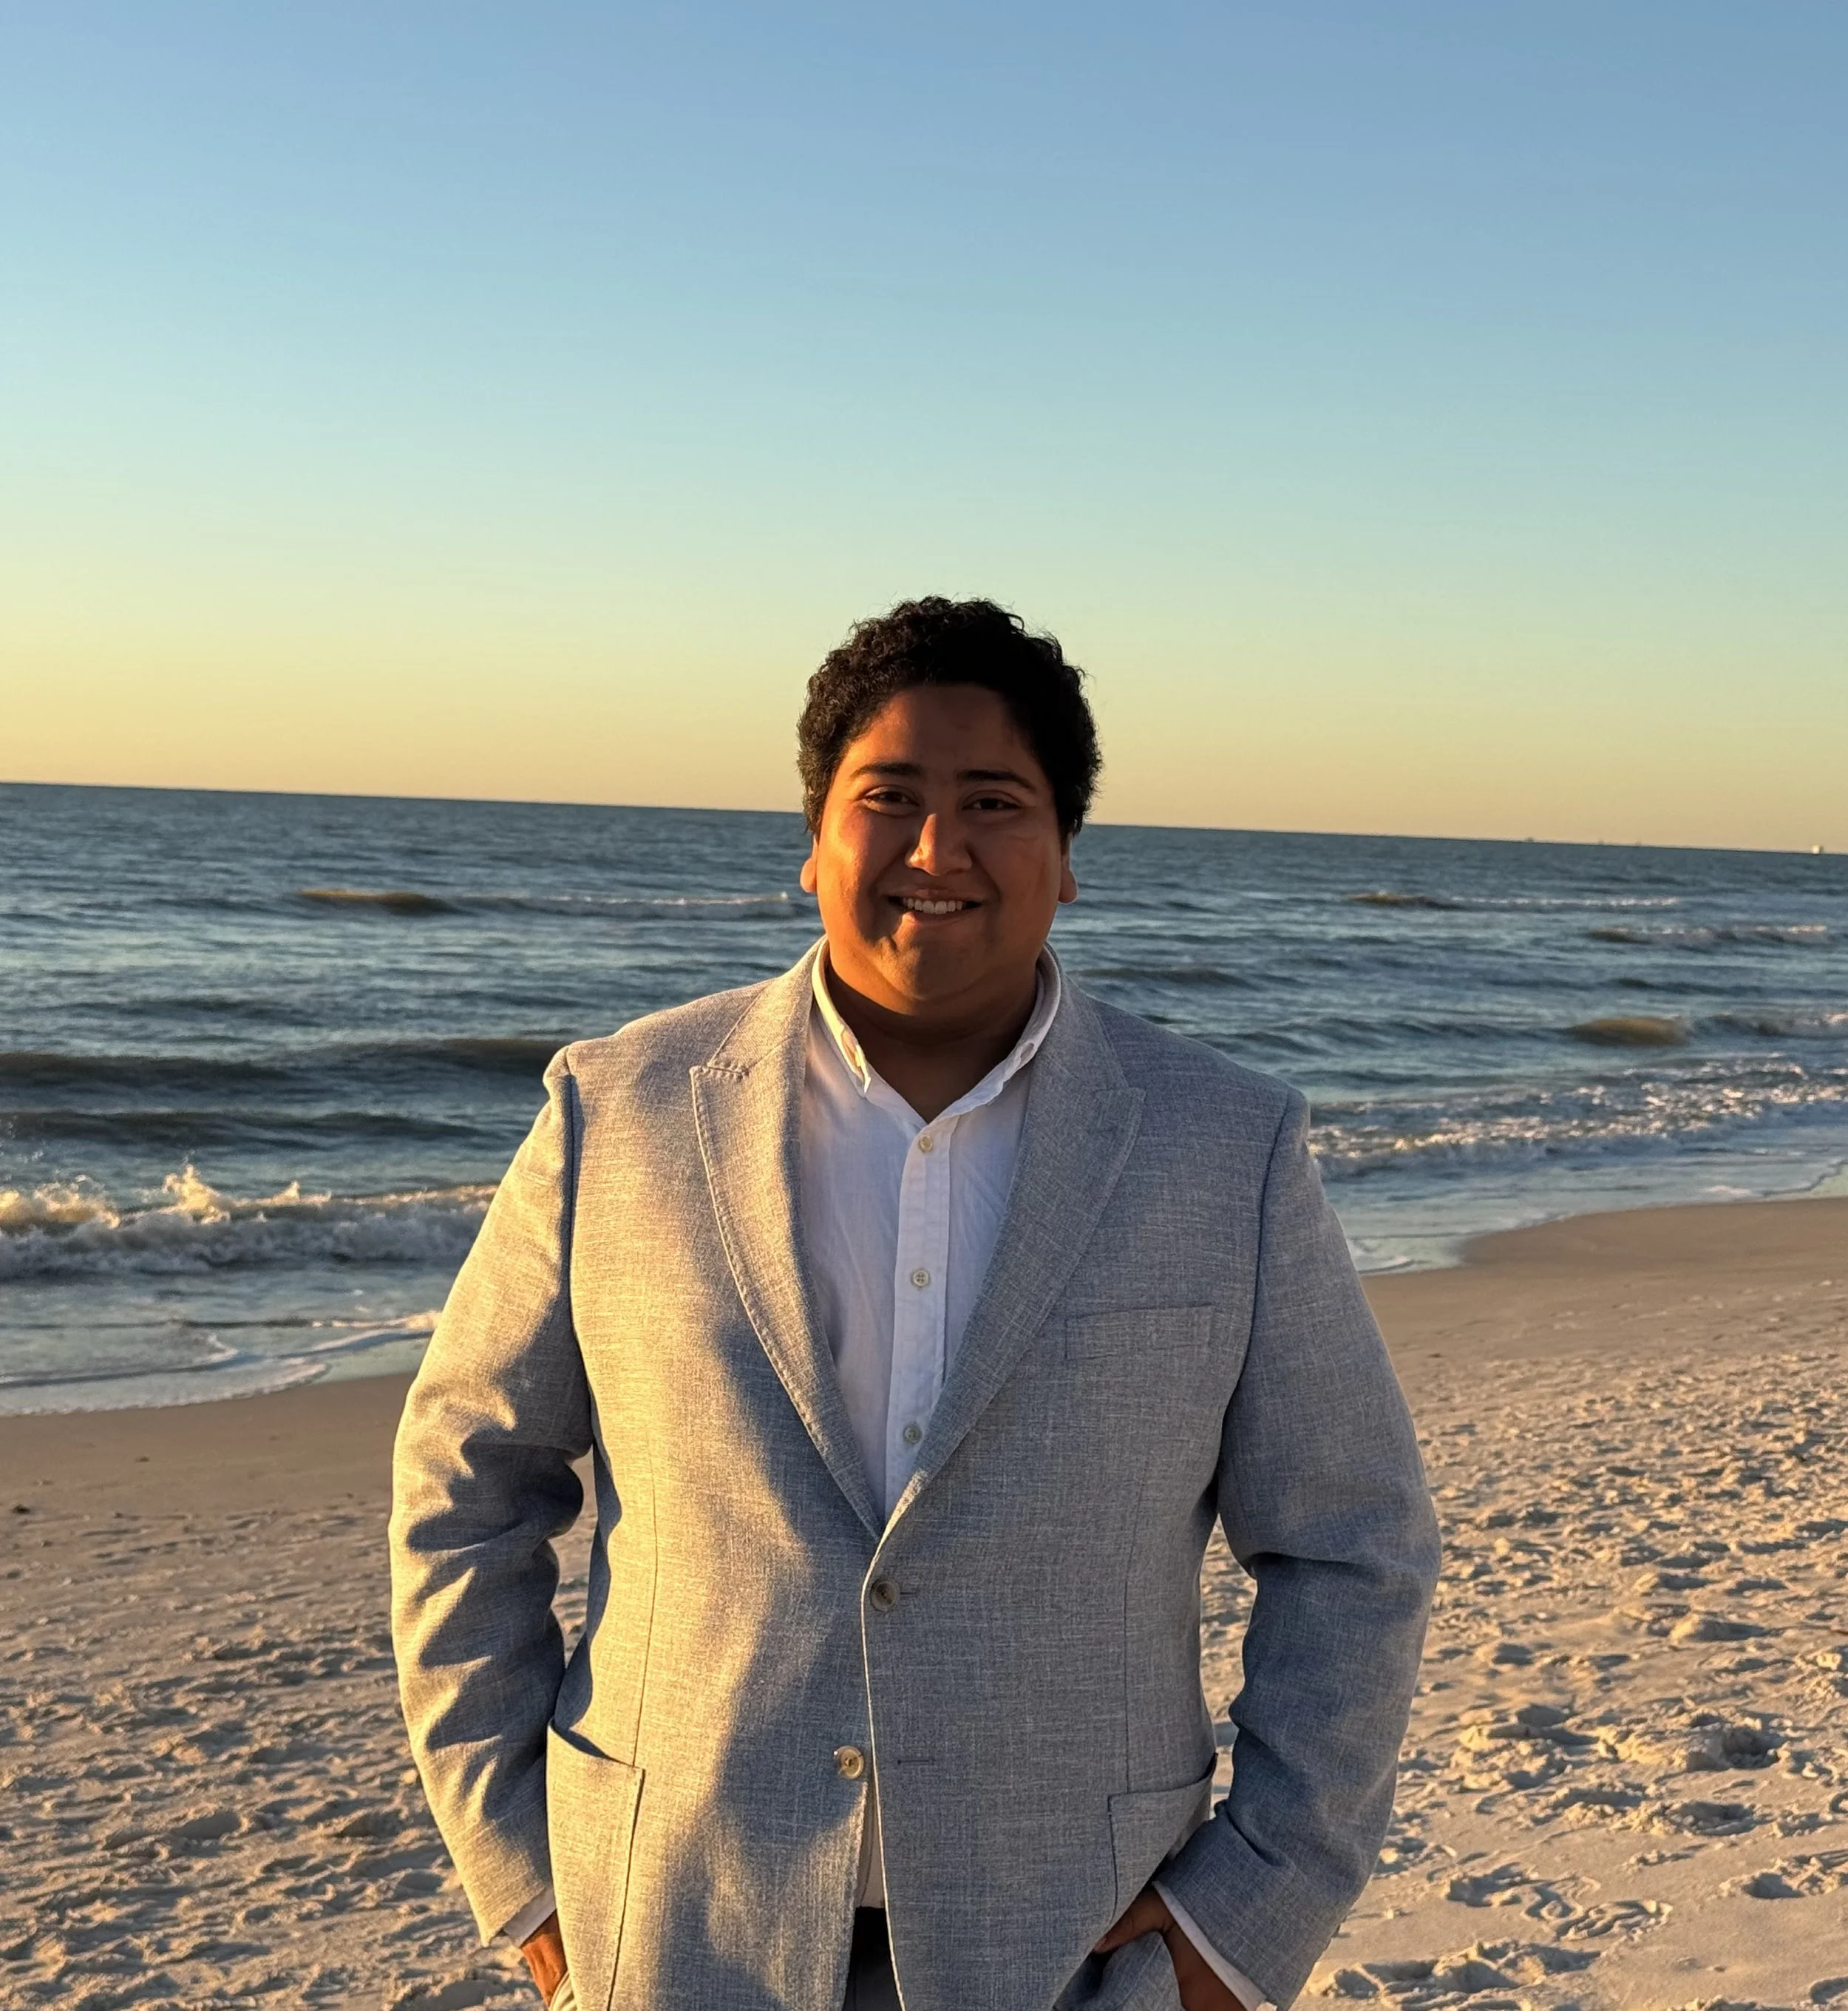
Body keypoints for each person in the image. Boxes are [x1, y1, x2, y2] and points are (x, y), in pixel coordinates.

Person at [389, 597, 1440, 2011]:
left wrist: (1246, 1917)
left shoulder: (1223, 1146)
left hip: (1074, 1950)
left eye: (994, 802)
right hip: (675, 1930)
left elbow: (1353, 1546)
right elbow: (466, 1482)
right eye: (888, 798)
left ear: (1066, 856)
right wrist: (525, 1877)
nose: (938, 850)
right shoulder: (621, 1111)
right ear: (815, 840)